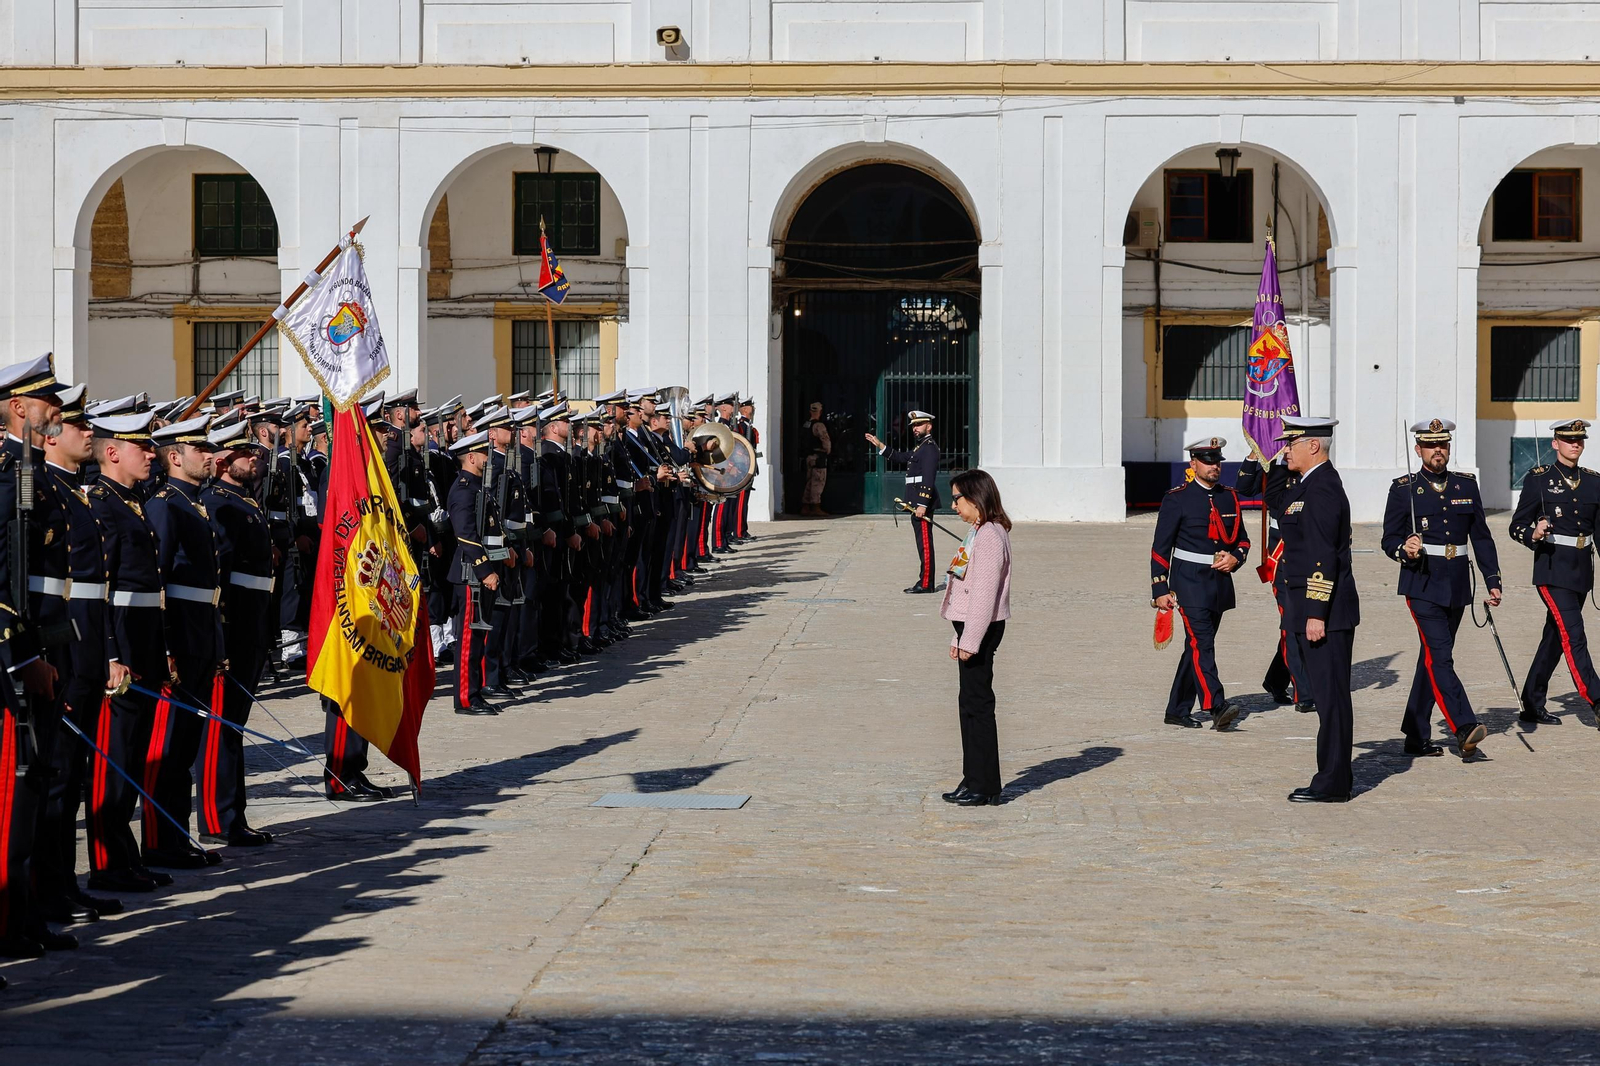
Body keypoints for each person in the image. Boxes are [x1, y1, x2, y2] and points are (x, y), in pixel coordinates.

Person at [1379, 418, 1499, 760]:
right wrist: (1405, 549)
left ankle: (1416, 735)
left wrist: (1493, 580)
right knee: (1441, 656)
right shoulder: (1404, 488)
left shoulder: (1466, 486)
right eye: (1431, 446)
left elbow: (1481, 537)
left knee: (1431, 659)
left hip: (1457, 583)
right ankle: (1464, 727)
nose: (1438, 451)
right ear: (1418, 450)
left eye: (1443, 445)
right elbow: (1388, 539)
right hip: (1422, 582)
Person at [144, 414, 228, 868]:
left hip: (201, 632)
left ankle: (176, 836)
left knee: (186, 744)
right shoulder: (166, 505)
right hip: (181, 635)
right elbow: (158, 582)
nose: (210, 456)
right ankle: (159, 841)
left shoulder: (192, 502)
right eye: (200, 450)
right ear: (175, 457)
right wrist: (169, 645)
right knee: (170, 745)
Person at [1268, 417, 1360, 803]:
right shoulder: (1307, 485)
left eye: (1292, 443)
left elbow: (1324, 557)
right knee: (1327, 697)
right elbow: (1277, 504)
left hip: (1326, 611)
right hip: (1312, 606)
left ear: (1314, 446)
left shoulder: (1322, 490)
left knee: (1331, 698)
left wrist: (1316, 612)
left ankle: (1333, 783)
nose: (1286, 448)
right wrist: (1272, 460)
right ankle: (1335, 776)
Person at [1149, 438, 1249, 731]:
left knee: (1196, 646)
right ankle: (1217, 706)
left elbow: (1242, 540)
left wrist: (1236, 558)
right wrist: (1159, 589)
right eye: (1207, 461)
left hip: (1218, 583)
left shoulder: (1229, 497)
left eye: (1217, 461)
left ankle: (1177, 709)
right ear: (1193, 464)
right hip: (1189, 581)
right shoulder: (1177, 498)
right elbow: (1160, 547)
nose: (1214, 466)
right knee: (1202, 643)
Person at [1509, 418, 1600, 726]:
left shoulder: (1593, 481)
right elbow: (1516, 525)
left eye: (1580, 439)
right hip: (1552, 569)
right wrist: (1532, 534)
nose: (1576, 444)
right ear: (1555, 443)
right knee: (1575, 635)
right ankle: (1597, 699)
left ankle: (1532, 702)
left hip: (1581, 572)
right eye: (1569, 439)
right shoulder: (1539, 479)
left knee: (1555, 637)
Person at [938, 470, 1013, 807]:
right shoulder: (978, 531)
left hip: (979, 628)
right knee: (967, 704)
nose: (954, 505)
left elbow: (984, 595)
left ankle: (985, 786)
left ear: (975, 497)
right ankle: (972, 779)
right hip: (970, 627)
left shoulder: (990, 537)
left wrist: (969, 640)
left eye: (957, 498)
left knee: (978, 706)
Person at [1233, 451, 1312, 713]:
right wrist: (1256, 456)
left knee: (1301, 622)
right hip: (1282, 558)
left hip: (1311, 556)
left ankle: (1276, 680)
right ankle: (1305, 693)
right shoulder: (1274, 470)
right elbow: (1244, 488)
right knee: (1291, 623)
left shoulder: (1312, 470)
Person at [447, 429, 504, 715]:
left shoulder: (479, 487)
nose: (487, 458)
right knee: (468, 639)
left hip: (481, 571)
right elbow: (466, 534)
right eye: (483, 453)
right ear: (470, 457)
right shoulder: (463, 488)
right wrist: (485, 570)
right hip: (470, 573)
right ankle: (465, 699)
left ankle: (476, 692)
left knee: (479, 636)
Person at [866, 410, 941, 593]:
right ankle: (925, 581)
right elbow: (901, 457)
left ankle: (926, 584)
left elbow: (928, 478)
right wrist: (880, 445)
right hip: (915, 503)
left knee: (924, 544)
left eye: (919, 425)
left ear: (928, 426)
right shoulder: (921, 447)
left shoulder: (929, 448)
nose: (915, 429)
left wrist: (922, 504)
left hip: (921, 505)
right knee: (921, 543)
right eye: (914, 426)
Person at [801, 401, 832, 517]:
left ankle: (805, 506)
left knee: (809, 482)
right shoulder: (819, 425)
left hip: (808, 456)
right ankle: (815, 506)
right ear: (820, 412)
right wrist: (827, 451)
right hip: (818, 456)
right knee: (818, 482)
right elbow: (825, 441)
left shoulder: (806, 424)